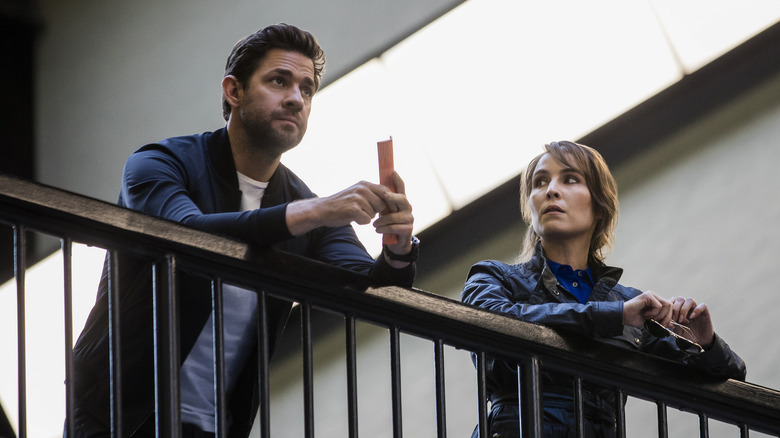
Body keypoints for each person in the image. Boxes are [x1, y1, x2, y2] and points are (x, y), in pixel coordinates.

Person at [71, 23, 419, 437]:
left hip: (217, 425)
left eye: (307, 90)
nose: (295, 98)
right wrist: (309, 213)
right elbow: (188, 235)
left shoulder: (306, 206)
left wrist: (398, 249)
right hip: (115, 416)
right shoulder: (160, 163)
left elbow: (373, 290)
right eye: (279, 81)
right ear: (233, 91)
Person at [461, 141, 745, 438]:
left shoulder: (628, 303)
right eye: (540, 182)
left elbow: (730, 382)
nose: (551, 190)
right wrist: (614, 316)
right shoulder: (494, 276)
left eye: (570, 179)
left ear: (599, 205)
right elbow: (492, 323)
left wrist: (705, 344)